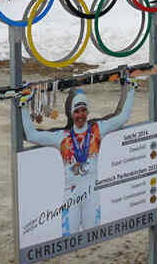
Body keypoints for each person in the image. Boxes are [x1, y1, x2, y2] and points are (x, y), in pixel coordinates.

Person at [21, 82, 137, 236]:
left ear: (88, 111)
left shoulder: (97, 129)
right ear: (71, 113)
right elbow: (31, 135)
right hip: (71, 197)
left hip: (92, 195)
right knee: (68, 240)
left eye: (83, 110)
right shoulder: (62, 137)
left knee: (93, 238)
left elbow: (123, 117)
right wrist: (23, 105)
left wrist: (131, 90)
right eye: (76, 111)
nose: (80, 115)